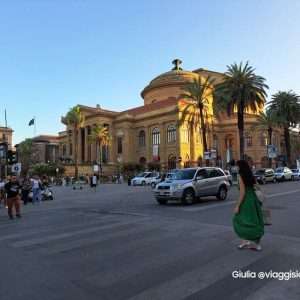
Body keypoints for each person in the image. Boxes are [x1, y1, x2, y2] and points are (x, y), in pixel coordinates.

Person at [233, 160, 264, 251]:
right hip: (254, 200)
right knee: (255, 221)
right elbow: (258, 187)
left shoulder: (240, 177)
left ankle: (245, 241)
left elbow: (242, 193)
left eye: (237, 166)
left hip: (246, 201)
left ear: (241, 167)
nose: (236, 168)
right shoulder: (251, 175)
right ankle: (256, 244)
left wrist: (237, 205)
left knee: (240, 220)